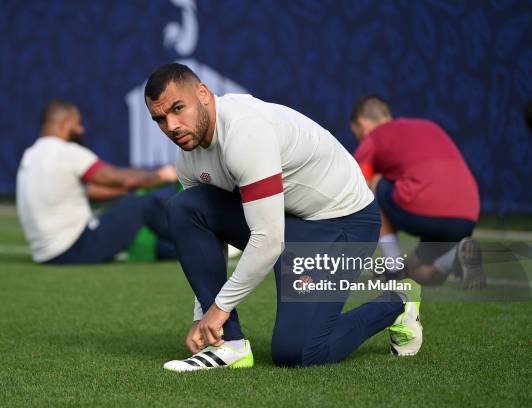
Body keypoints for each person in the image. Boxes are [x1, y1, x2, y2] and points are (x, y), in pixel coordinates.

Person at [144, 63, 422, 372]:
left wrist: (219, 309)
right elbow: (207, 236)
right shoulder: (188, 156)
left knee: (299, 352)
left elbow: (269, 240)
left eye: (177, 109)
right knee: (185, 206)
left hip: (343, 223)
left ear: (203, 94)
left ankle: (397, 302)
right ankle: (229, 346)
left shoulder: (244, 131)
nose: (172, 126)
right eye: (160, 119)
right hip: (287, 220)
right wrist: (205, 314)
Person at [16, 100, 178, 264]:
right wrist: (163, 175)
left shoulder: (30, 155)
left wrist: (127, 191)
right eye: (78, 123)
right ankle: (197, 239)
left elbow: (89, 192)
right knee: (145, 205)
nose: (82, 129)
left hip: (48, 255)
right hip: (76, 248)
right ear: (64, 124)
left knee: (129, 206)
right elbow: (119, 179)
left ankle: (181, 252)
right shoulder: (67, 152)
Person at [350, 95, 485, 288]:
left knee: (374, 184)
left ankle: (393, 267)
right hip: (466, 217)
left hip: (424, 209)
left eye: (357, 134)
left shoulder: (374, 137)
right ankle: (454, 257)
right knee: (416, 274)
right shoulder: (430, 126)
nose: (360, 140)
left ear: (362, 124)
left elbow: (357, 190)